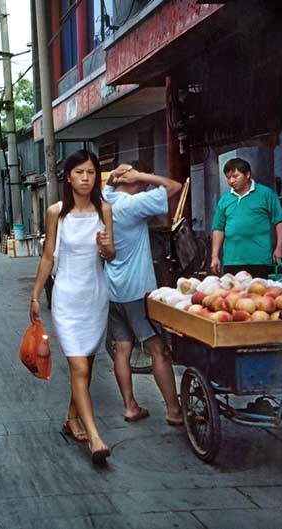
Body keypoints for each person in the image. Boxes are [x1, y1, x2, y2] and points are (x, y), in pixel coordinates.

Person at [30, 149, 115, 465]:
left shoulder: (104, 209)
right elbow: (48, 256)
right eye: (79, 172)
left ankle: (71, 419)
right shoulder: (56, 213)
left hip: (95, 296)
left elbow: (111, 255)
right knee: (79, 368)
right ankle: (95, 438)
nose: (85, 178)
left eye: (91, 173)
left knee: (87, 367)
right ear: (69, 177)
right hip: (65, 297)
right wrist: (35, 295)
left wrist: (106, 248)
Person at [103, 161, 184, 426]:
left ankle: (130, 406)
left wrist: (116, 177)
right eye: (141, 182)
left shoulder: (107, 200)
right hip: (136, 290)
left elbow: (108, 187)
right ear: (134, 182)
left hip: (112, 289)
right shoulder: (132, 205)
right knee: (158, 350)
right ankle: (173, 410)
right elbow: (175, 186)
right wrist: (142, 174)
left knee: (122, 349)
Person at [210, 157, 282, 278]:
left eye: (235, 176)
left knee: (261, 295)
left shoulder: (266, 194)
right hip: (232, 261)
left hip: (259, 260)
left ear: (247, 174)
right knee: (233, 296)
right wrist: (215, 256)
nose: (231, 181)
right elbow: (218, 229)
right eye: (228, 177)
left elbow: (279, 221)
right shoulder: (225, 199)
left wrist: (279, 248)